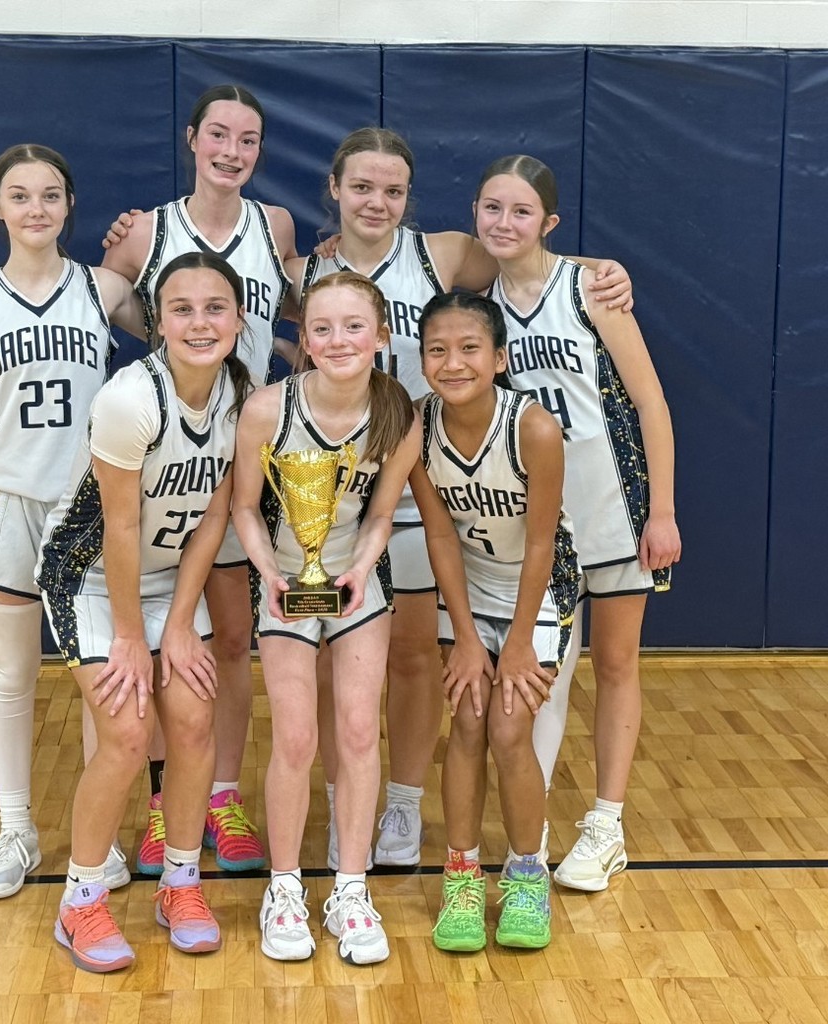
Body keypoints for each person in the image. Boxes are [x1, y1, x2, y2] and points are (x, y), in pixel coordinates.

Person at [289, 127, 633, 870]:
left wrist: (602, 271)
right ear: (335, 189)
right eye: (361, 187)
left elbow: (526, 252)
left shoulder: (442, 252)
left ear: (407, 196)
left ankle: (406, 809)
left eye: (392, 189)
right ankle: (341, 801)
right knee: (328, 664)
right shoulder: (306, 273)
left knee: (415, 659)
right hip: (335, 494)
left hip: (428, 482)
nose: (376, 201)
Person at [0, 144, 147, 900]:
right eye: (21, 195)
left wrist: (135, 246)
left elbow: (186, 329)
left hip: (91, 511)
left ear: (68, 205)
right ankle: (16, 829)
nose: (36, 208)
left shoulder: (103, 288)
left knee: (99, 686)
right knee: (11, 678)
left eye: (50, 195)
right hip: (11, 507)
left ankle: (99, 836)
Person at [97, 85, 297, 873]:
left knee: (232, 640)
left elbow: (285, 302)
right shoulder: (148, 229)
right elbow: (95, 298)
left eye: (247, 139)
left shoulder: (274, 224)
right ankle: (159, 804)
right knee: (157, 641)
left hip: (246, 446)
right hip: (169, 453)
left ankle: (221, 795)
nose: (232, 151)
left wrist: (280, 359)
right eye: (219, 134)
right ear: (192, 138)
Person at [475, 154, 681, 892]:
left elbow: (650, 401)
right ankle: (528, 838)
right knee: (543, 681)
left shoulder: (590, 289)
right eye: (492, 208)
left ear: (549, 223)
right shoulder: (481, 309)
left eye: (521, 212)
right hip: (538, 530)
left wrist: (662, 511)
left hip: (614, 512)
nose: (504, 223)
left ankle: (606, 825)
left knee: (618, 665)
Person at [38, 251, 249, 972]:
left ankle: (181, 885)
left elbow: (216, 513)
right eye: (182, 309)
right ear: (157, 322)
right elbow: (119, 529)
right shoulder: (131, 400)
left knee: (194, 724)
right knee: (128, 735)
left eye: (215, 307)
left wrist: (182, 622)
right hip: (90, 580)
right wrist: (133, 637)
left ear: (240, 318)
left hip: (167, 582)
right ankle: (80, 902)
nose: (200, 322)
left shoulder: (240, 391)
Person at [233, 271, 419, 964]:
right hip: (285, 580)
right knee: (295, 737)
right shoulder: (266, 409)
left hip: (355, 581)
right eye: (322, 328)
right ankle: (284, 889)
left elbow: (379, 515)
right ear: (303, 339)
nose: (338, 340)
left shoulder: (398, 411)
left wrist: (362, 567)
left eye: (353, 326)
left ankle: (350, 886)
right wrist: (271, 572)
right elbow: (246, 507)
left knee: (356, 730)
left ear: (381, 334)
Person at [410, 291, 580, 952]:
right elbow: (442, 538)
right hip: (470, 586)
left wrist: (514, 645)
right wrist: (466, 638)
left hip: (536, 587)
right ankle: (461, 876)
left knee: (510, 727)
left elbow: (540, 545)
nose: (453, 362)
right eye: (437, 349)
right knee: (469, 719)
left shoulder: (533, 427)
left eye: (469, 348)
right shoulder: (418, 427)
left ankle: (527, 873)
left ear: (501, 358)